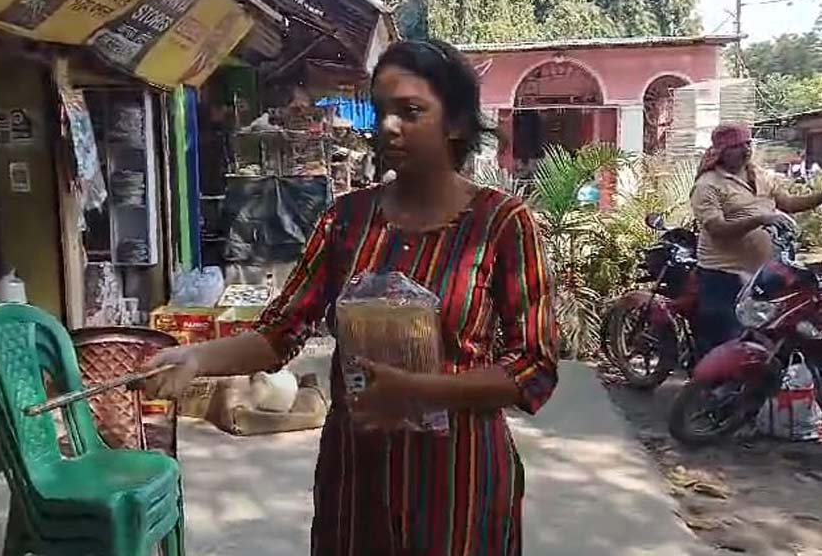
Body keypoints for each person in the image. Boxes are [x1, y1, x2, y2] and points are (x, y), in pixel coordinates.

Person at [145, 40, 558, 555]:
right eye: (382, 111)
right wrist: (196, 357)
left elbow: (533, 366)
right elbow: (281, 333)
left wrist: (420, 390)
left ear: (454, 124)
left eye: (410, 112)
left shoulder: (503, 224)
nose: (388, 127)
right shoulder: (345, 221)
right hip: (358, 480)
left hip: (460, 481)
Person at [690, 124, 822, 356]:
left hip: (764, 273)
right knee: (725, 340)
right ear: (722, 151)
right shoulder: (708, 185)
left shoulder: (759, 174)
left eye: (748, 144)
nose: (745, 150)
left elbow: (788, 203)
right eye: (737, 146)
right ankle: (708, 389)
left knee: (764, 337)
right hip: (724, 274)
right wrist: (760, 219)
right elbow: (717, 229)